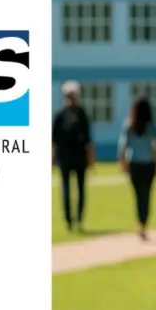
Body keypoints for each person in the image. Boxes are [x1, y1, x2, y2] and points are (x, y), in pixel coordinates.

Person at [52, 80, 94, 233]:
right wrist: (91, 160)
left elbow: (53, 141)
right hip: (76, 158)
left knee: (68, 190)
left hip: (67, 158)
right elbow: (88, 141)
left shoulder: (60, 115)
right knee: (78, 190)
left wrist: (52, 159)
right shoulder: (81, 114)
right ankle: (76, 220)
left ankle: (71, 221)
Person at [118, 95, 156, 241]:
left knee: (137, 195)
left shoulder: (129, 124)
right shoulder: (151, 126)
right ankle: (144, 223)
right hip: (148, 163)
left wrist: (123, 164)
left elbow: (122, 146)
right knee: (146, 194)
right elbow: (155, 146)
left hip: (134, 163)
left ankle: (140, 222)